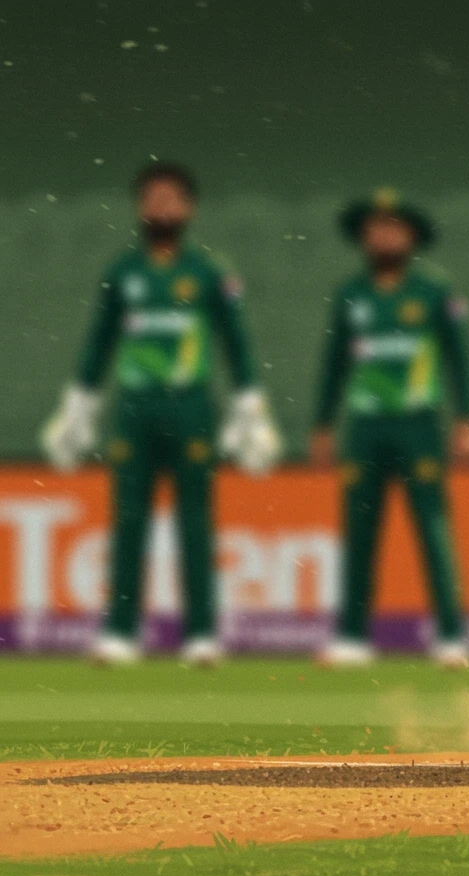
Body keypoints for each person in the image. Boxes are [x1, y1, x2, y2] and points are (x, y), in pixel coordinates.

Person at [41, 162, 281, 666]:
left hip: (190, 405)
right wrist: (77, 409)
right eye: (152, 199)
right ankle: (120, 633)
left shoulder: (209, 272)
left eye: (171, 199)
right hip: (133, 408)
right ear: (138, 208)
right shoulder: (123, 273)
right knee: (128, 522)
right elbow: (98, 345)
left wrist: (250, 410)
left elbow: (236, 344)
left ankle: (201, 634)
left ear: (188, 208)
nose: (161, 208)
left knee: (196, 523)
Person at [311, 189, 469, 669]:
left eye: (394, 227)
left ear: (411, 236)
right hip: (363, 427)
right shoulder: (351, 294)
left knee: (432, 528)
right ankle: (351, 637)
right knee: (359, 531)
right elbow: (334, 363)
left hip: (419, 425)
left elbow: (458, 359)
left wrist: (467, 418)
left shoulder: (434, 291)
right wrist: (323, 423)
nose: (384, 235)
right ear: (364, 236)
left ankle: (450, 636)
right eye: (375, 227)